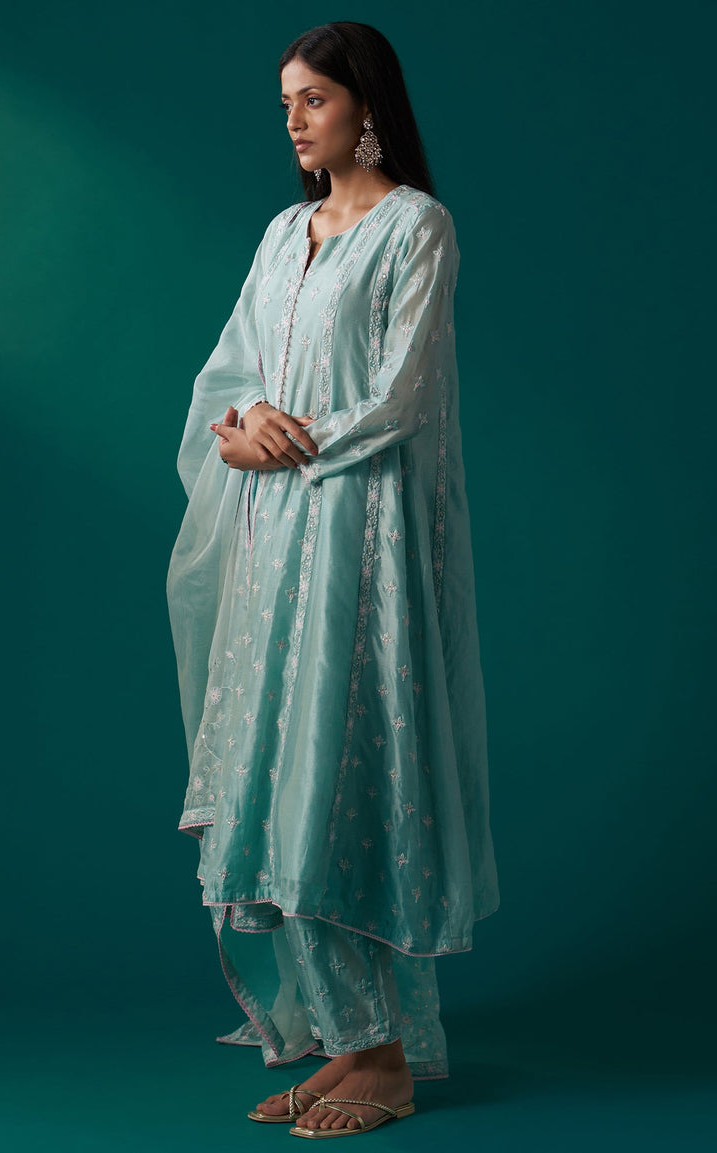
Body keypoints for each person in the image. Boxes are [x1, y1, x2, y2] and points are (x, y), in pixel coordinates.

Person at [166, 21, 500, 1138]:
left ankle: (384, 1060)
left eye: (313, 99)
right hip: (271, 542)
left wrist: (284, 441)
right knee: (269, 777)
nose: (295, 121)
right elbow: (236, 371)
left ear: (365, 104)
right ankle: (350, 1042)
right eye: (286, 104)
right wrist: (240, 422)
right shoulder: (284, 232)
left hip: (359, 537)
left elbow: (403, 396)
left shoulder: (415, 227)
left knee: (340, 775)